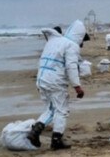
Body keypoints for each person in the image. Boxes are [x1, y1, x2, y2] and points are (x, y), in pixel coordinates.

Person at [27, 19, 90, 150]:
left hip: (42, 79)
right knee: (61, 111)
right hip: (55, 82)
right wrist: (77, 87)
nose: (82, 43)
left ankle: (35, 131)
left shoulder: (54, 41)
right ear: (79, 36)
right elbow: (71, 67)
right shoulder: (71, 46)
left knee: (50, 109)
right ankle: (56, 140)